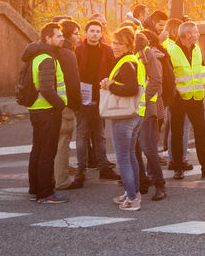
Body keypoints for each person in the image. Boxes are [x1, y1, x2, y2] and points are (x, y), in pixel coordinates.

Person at [164, 21, 205, 182]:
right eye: (195, 32)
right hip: (178, 99)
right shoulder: (171, 51)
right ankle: (178, 167)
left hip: (196, 98)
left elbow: (200, 69)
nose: (198, 34)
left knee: (201, 134)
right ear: (187, 35)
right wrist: (173, 95)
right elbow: (168, 77)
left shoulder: (196, 49)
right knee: (177, 134)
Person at [22, 23, 69, 205]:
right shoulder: (47, 59)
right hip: (48, 111)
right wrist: (60, 105)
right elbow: (47, 88)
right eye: (58, 36)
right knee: (47, 152)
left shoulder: (36, 56)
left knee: (38, 150)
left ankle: (35, 190)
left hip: (37, 109)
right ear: (48, 38)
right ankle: (46, 192)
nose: (62, 38)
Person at [101, 27, 143, 211]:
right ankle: (132, 192)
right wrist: (111, 84)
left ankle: (133, 199)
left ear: (128, 46)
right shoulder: (131, 61)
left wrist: (111, 86)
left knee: (123, 158)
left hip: (124, 116)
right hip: (134, 114)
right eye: (114, 42)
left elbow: (131, 88)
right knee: (130, 155)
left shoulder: (126, 64)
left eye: (119, 43)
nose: (115, 46)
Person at [75, 20, 119, 181]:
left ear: (101, 34)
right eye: (92, 31)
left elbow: (112, 71)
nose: (94, 34)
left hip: (100, 97)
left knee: (100, 135)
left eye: (97, 31)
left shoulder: (107, 50)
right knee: (82, 135)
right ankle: (81, 170)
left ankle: (103, 168)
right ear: (86, 33)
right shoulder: (78, 49)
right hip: (82, 98)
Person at [136, 29, 169, 201]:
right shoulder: (127, 56)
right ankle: (142, 181)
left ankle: (159, 184)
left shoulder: (147, 53)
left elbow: (156, 80)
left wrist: (141, 100)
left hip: (146, 108)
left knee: (148, 146)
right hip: (132, 108)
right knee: (134, 147)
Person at [50, 20, 82, 191]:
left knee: (50, 143)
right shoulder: (67, 54)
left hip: (46, 105)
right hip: (65, 104)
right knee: (63, 142)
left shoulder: (47, 52)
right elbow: (73, 83)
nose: (79, 37)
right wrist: (76, 105)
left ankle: (49, 177)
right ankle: (61, 180)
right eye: (76, 33)